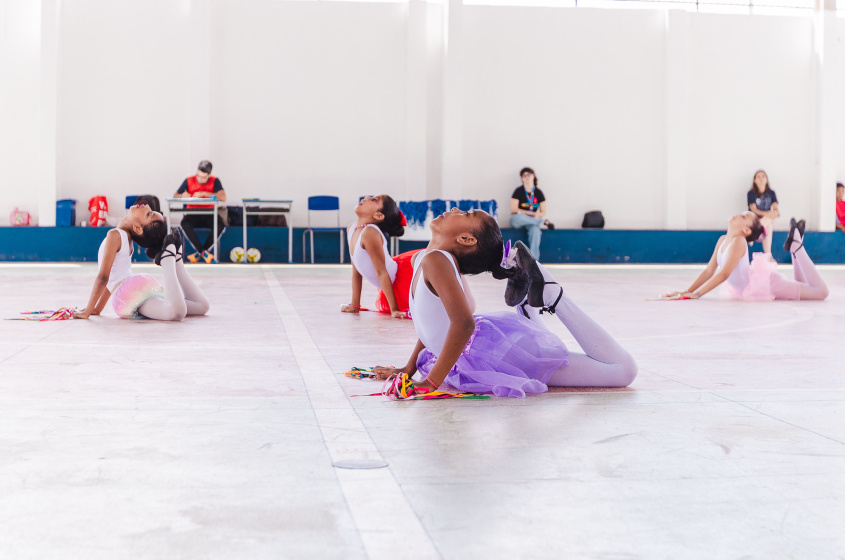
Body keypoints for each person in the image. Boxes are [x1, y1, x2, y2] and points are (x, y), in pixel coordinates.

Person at [372, 208, 637, 398]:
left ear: (466, 239)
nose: (454, 209)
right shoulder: (425, 258)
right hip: (475, 355)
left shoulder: (436, 260)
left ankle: (553, 295)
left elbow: (463, 324)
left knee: (623, 371)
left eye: (465, 215)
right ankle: (528, 307)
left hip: (494, 356)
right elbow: (429, 324)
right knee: (614, 369)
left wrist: (431, 382)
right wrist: (409, 367)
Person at [342, 195, 475, 318]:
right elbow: (356, 271)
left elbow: (382, 272)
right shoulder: (352, 228)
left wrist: (394, 309)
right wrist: (355, 305)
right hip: (390, 283)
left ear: (379, 215)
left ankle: (465, 302)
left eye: (374, 200)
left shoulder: (369, 233)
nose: (366, 197)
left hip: (400, 278)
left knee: (438, 268)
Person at [73, 205, 210, 321]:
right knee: (202, 306)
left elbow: (104, 278)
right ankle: (177, 261)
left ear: (138, 228)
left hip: (127, 294)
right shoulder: (127, 239)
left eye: (149, 214)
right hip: (137, 286)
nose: (146, 206)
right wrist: (96, 309)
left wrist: (87, 311)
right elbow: (113, 281)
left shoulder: (115, 235)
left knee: (176, 312)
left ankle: (168, 260)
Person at [662, 213, 828, 302]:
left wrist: (697, 295)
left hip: (767, 283)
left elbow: (724, 274)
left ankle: (797, 248)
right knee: (805, 287)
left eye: (743, 217)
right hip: (754, 284)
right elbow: (709, 271)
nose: (737, 215)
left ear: (747, 231)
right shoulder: (722, 241)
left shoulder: (739, 241)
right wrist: (687, 291)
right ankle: (794, 249)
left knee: (822, 293)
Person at [174, 160, 227, 264]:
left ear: (209, 175)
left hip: (209, 213)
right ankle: (203, 252)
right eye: (198, 176)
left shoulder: (215, 180)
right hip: (192, 212)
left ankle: (200, 252)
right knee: (184, 224)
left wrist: (205, 193)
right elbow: (175, 196)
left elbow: (223, 197)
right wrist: (182, 196)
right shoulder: (189, 180)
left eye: (203, 177)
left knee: (220, 225)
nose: (200, 179)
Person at [510, 167, 554, 260]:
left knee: (536, 231)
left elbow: (543, 211)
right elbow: (514, 210)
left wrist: (538, 215)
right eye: (524, 175)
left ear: (533, 176)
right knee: (515, 218)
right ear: (521, 178)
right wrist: (529, 213)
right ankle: (541, 222)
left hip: (532, 221)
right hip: (520, 220)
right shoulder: (518, 191)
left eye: (529, 175)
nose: (526, 177)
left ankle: (534, 261)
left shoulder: (538, 192)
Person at [747, 169, 779, 255]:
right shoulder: (751, 193)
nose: (761, 179)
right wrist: (768, 214)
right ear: (754, 180)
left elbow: (776, 210)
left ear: (766, 179)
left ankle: (755, 233)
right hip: (755, 221)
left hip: (764, 223)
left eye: (763, 176)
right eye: (758, 177)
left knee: (769, 222)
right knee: (769, 225)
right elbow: (754, 209)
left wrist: (774, 213)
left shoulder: (771, 193)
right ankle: (768, 254)